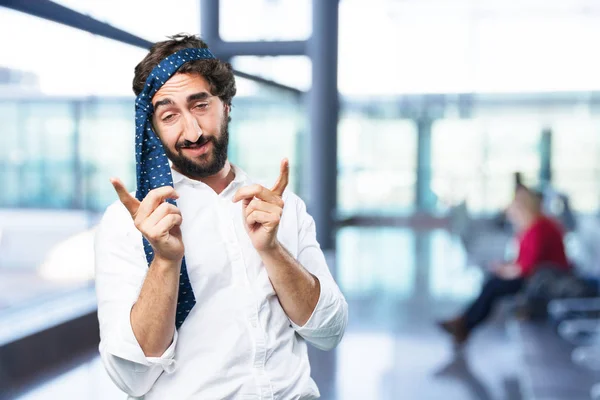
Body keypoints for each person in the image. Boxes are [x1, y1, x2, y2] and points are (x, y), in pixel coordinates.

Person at [94, 34, 348, 399]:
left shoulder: (280, 207)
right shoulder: (126, 224)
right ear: (153, 129)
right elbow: (131, 377)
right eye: (169, 115)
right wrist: (165, 261)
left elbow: (329, 332)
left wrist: (273, 250)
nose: (193, 132)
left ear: (226, 105)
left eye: (200, 105)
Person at [439, 186, 569, 345]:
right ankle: (464, 322)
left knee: (493, 285)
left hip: (545, 280)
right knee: (492, 282)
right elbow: (524, 261)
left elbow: (527, 268)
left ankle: (464, 324)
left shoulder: (539, 229)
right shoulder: (532, 227)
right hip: (538, 276)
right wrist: (505, 268)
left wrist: (505, 270)